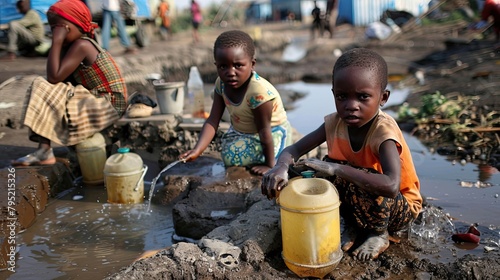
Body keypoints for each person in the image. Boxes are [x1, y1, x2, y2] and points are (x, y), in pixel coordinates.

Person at [261, 48, 423, 261]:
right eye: (342, 96)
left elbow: (391, 186)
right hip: (360, 196)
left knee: (335, 167)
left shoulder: (384, 133)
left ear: (383, 98)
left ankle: (378, 234)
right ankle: (351, 223)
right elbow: (294, 150)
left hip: (397, 208)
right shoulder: (335, 122)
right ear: (333, 94)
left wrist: (336, 169)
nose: (351, 106)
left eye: (363, 97)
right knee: (305, 168)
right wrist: (281, 167)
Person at [12, 0, 128, 166]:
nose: (56, 33)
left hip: (110, 106)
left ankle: (44, 150)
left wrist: (56, 42)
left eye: (60, 28)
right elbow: (56, 82)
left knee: (42, 84)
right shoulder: (76, 46)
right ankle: (45, 150)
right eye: (52, 29)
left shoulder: (83, 45)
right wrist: (59, 43)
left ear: (77, 25)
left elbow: (53, 78)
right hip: (99, 103)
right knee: (48, 87)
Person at [179, 30, 293, 176]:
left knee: (231, 155)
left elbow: (264, 131)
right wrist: (197, 150)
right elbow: (213, 120)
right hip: (245, 130)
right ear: (216, 65)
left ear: (252, 64)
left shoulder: (258, 93)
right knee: (227, 151)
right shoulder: (221, 84)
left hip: (273, 132)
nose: (230, 72)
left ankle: (273, 159)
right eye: (223, 66)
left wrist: (269, 165)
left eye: (238, 65)